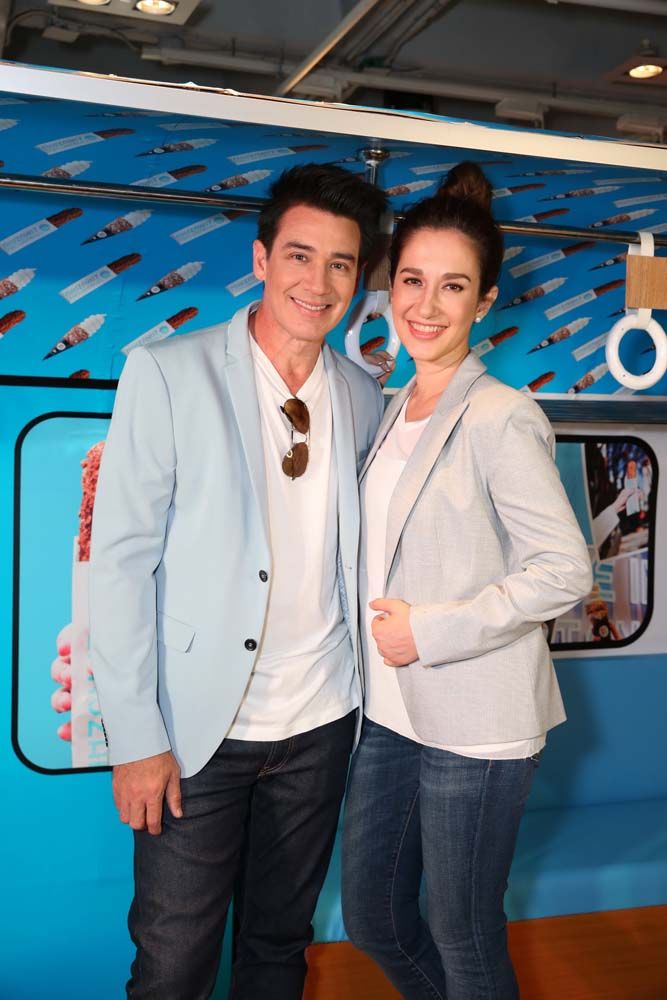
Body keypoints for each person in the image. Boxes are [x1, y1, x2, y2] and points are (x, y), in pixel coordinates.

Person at [89, 163, 387, 1000]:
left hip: (320, 722)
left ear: (357, 280)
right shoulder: (168, 372)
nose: (317, 283)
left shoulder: (362, 395)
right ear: (260, 260)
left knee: (277, 949)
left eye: (339, 264)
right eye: (299, 256)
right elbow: (120, 562)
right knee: (173, 963)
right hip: (195, 731)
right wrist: (136, 738)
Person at [341, 162, 592, 1000]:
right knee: (373, 916)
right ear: (390, 285)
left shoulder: (500, 415)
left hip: (476, 723)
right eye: (412, 280)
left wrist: (429, 630)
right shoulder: (392, 406)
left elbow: (564, 569)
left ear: (483, 303)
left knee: (462, 931)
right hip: (390, 711)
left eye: (452, 287)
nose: (425, 304)